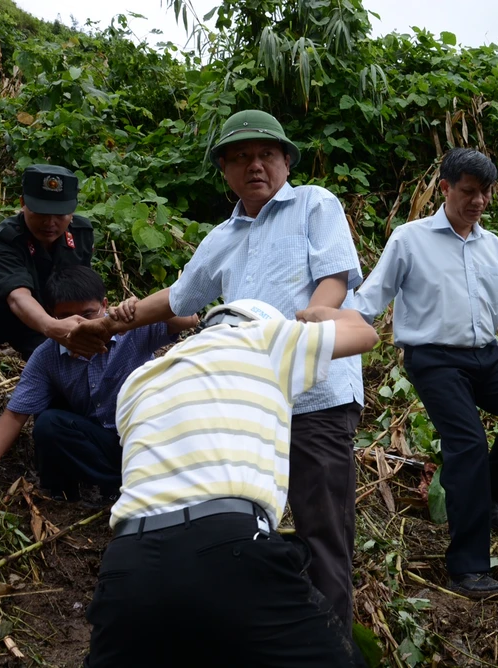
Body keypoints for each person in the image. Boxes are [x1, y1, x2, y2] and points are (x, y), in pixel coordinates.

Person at [66, 110, 365, 626]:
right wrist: (112, 324)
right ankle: (254, 637)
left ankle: (330, 646)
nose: (255, 165)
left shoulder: (315, 203)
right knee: (241, 522)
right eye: (241, 157)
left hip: (316, 394)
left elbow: (334, 277)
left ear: (286, 161)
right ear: (224, 170)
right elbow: (178, 298)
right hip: (244, 405)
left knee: (323, 531)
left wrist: (315, 319)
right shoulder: (220, 239)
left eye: (266, 154)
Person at [84, 299, 377, 668]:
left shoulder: (142, 378)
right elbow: (364, 334)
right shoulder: (264, 337)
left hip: (129, 562)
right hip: (229, 546)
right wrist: (318, 314)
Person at [345, 148, 498, 598]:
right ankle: (468, 569)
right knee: (467, 445)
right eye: (469, 191)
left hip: (486, 356)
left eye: (486, 193)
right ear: (446, 188)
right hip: (432, 358)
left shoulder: (493, 248)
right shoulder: (410, 239)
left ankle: (489, 497)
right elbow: (370, 297)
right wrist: (334, 328)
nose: (478, 202)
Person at [0, 266, 198, 502]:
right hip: (99, 442)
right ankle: (104, 487)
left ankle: (141, 480)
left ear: (105, 306)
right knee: (49, 423)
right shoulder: (47, 356)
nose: (80, 325)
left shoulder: (132, 330)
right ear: (53, 316)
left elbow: (189, 318)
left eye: (88, 314)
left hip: (144, 437)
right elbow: (14, 415)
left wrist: (138, 311)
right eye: (66, 317)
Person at [0, 164, 92, 361]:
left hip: (45, 315)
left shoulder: (81, 234)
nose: (50, 222)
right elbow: (17, 297)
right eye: (41, 213)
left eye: (59, 214)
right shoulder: (4, 239)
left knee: (73, 361)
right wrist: (51, 327)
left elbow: (81, 288)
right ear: (23, 203)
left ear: (72, 210)